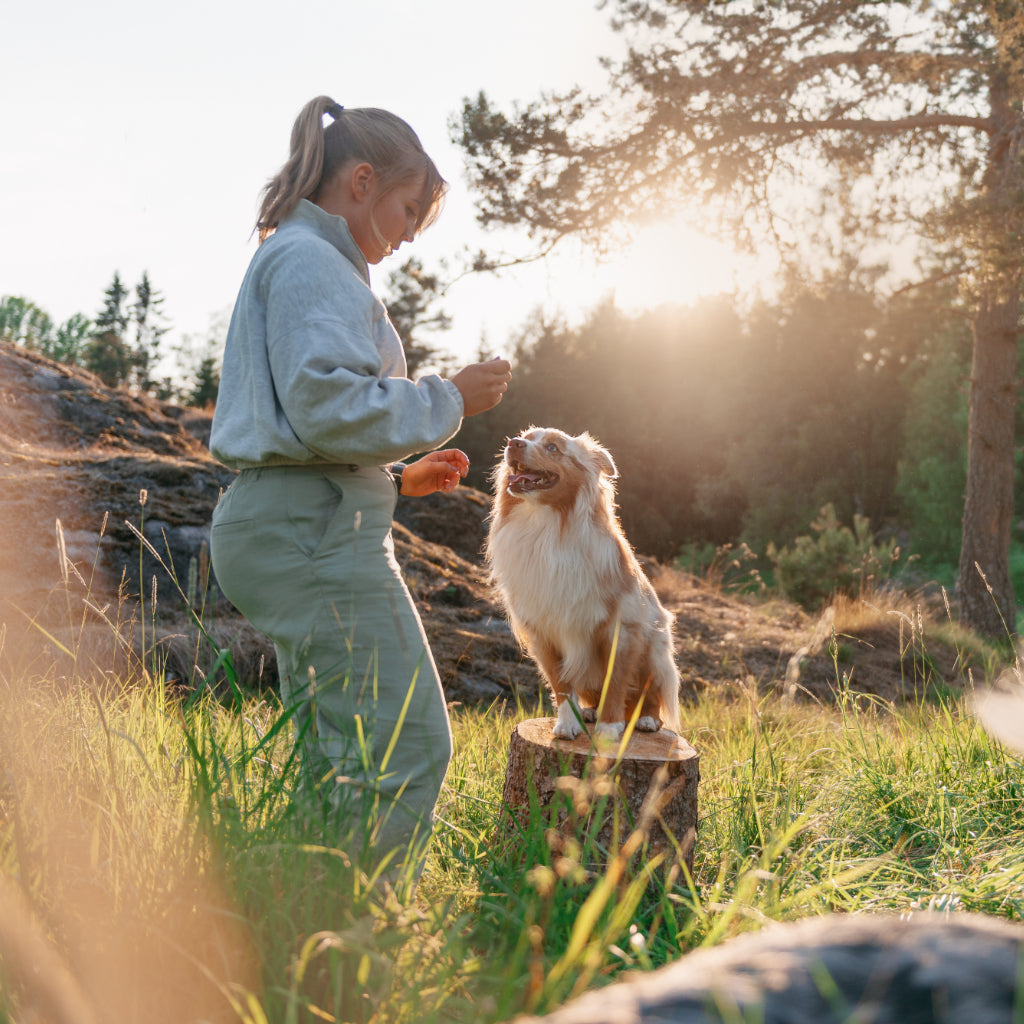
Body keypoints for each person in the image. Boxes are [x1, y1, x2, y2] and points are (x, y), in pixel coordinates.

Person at [208, 96, 511, 869]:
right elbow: (327, 406)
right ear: (362, 180)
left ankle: (293, 926)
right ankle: (358, 946)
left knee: (341, 755)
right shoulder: (312, 261)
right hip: (310, 536)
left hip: (297, 521)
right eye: (409, 210)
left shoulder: (303, 258)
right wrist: (450, 399)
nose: (409, 236)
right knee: (409, 745)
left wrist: (392, 480)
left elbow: (309, 420)